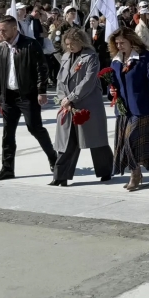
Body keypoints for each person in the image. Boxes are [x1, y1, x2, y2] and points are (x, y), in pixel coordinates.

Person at [0, 16, 58, 180]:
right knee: (8, 133)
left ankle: (54, 159)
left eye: (3, 30)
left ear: (14, 29)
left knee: (35, 128)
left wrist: (41, 91)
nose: (0, 33)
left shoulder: (30, 44)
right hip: (8, 96)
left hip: (27, 95)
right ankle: (7, 168)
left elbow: (42, 68)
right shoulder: (1, 48)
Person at [51, 28, 112, 186]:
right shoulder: (65, 57)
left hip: (88, 104)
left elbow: (89, 81)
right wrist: (63, 98)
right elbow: (60, 80)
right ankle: (60, 176)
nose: (70, 47)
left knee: (96, 141)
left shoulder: (91, 57)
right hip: (68, 106)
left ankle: (105, 171)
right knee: (67, 142)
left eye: (72, 44)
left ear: (81, 42)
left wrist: (72, 97)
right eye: (67, 44)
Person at [108, 26, 149, 191]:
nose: (119, 46)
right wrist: (111, 91)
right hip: (123, 108)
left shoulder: (146, 57)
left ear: (132, 41)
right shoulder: (116, 60)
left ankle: (135, 174)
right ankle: (135, 172)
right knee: (124, 143)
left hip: (142, 107)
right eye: (116, 43)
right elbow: (113, 83)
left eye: (122, 42)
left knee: (130, 140)